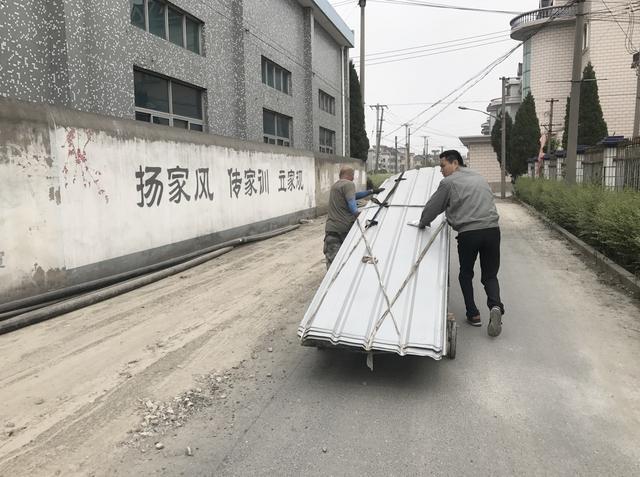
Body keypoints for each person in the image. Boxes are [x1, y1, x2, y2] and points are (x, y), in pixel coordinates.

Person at [418, 150, 505, 337]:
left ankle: (473, 314)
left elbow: (433, 208)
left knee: (465, 274)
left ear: (455, 163)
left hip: (469, 233)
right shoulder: (479, 178)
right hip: (492, 230)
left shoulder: (449, 182)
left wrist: (422, 223)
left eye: (443, 166)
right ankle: (495, 306)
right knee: (490, 275)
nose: (441, 170)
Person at [324, 166, 384, 270]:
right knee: (348, 259)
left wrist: (371, 191)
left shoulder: (335, 186)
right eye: (353, 175)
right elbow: (351, 201)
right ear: (350, 175)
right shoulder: (348, 184)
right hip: (343, 229)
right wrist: (358, 214)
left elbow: (353, 196)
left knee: (333, 264)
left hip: (331, 229)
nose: (353, 178)